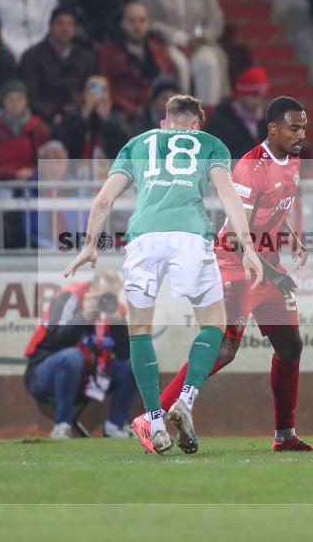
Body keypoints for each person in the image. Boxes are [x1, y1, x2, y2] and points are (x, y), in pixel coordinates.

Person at [64, 94, 263, 455]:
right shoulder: (211, 144)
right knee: (214, 325)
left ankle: (154, 421)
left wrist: (90, 244)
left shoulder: (137, 144)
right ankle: (186, 399)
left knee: (139, 330)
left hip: (144, 240)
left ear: (164, 123)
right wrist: (248, 247)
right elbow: (227, 194)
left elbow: (104, 200)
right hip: (190, 237)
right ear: (197, 124)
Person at [155, 96, 313, 452]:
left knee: (290, 346)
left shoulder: (292, 160)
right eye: (294, 127)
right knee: (225, 349)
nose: (301, 134)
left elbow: (275, 205)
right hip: (235, 262)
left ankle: (285, 437)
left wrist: (291, 237)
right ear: (273, 128)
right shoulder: (250, 167)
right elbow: (236, 232)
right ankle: (154, 418)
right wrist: (274, 275)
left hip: (267, 263)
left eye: (304, 127)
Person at [24, 270, 137, 438]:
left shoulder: (115, 310)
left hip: (87, 376)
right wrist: (84, 316)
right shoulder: (70, 298)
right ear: (92, 290)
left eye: (113, 295)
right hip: (44, 374)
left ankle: (115, 426)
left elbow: (124, 354)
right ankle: (62, 425)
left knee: (134, 365)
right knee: (72, 356)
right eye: (104, 295)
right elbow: (53, 341)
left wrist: (118, 324)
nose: (107, 301)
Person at [137, 0, 227, 105]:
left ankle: (209, 114)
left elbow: (216, 20)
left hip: (199, 43)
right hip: (165, 44)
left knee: (209, 63)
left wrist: (201, 37)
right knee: (180, 66)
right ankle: (181, 112)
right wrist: (180, 38)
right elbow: (146, 20)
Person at [96, 1, 178, 120]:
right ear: (122, 23)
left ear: (149, 23)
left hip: (156, 110)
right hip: (122, 112)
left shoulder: (159, 49)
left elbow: (171, 82)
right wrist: (132, 109)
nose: (137, 26)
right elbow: (105, 86)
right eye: (131, 21)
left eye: (141, 20)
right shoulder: (107, 52)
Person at [19, 6, 96, 127]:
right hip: (45, 117)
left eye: (70, 24)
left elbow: (92, 85)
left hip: (79, 114)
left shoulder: (85, 56)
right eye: (60, 23)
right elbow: (31, 97)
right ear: (50, 26)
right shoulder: (32, 56)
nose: (65, 29)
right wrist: (54, 114)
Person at [56, 75, 129, 179]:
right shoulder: (71, 117)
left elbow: (122, 149)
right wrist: (84, 115)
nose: (98, 94)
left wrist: (105, 120)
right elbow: (66, 147)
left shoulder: (118, 117)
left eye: (103, 90)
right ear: (84, 94)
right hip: (75, 177)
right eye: (93, 88)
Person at [0, 79, 50, 182]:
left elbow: (46, 162)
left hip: (31, 181)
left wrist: (32, 172)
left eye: (19, 99)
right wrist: (13, 174)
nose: (15, 104)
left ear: (26, 101)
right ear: (3, 102)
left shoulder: (38, 127)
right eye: (10, 100)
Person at [204, 66, 270, 159]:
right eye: (254, 96)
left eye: (261, 96)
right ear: (242, 94)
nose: (258, 101)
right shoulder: (221, 121)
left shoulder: (267, 120)